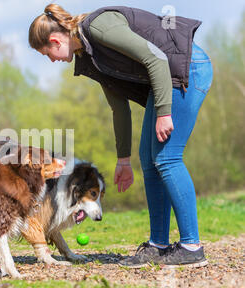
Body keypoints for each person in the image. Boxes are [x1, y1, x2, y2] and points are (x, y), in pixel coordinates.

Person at [29, 4, 213, 268]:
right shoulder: (89, 56)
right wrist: (123, 159)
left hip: (186, 68)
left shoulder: (98, 27)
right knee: (149, 162)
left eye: (48, 53)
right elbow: (119, 107)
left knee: (167, 159)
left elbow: (157, 58)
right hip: (164, 80)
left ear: (56, 39)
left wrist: (164, 112)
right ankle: (158, 244)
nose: (52, 60)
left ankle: (191, 247)